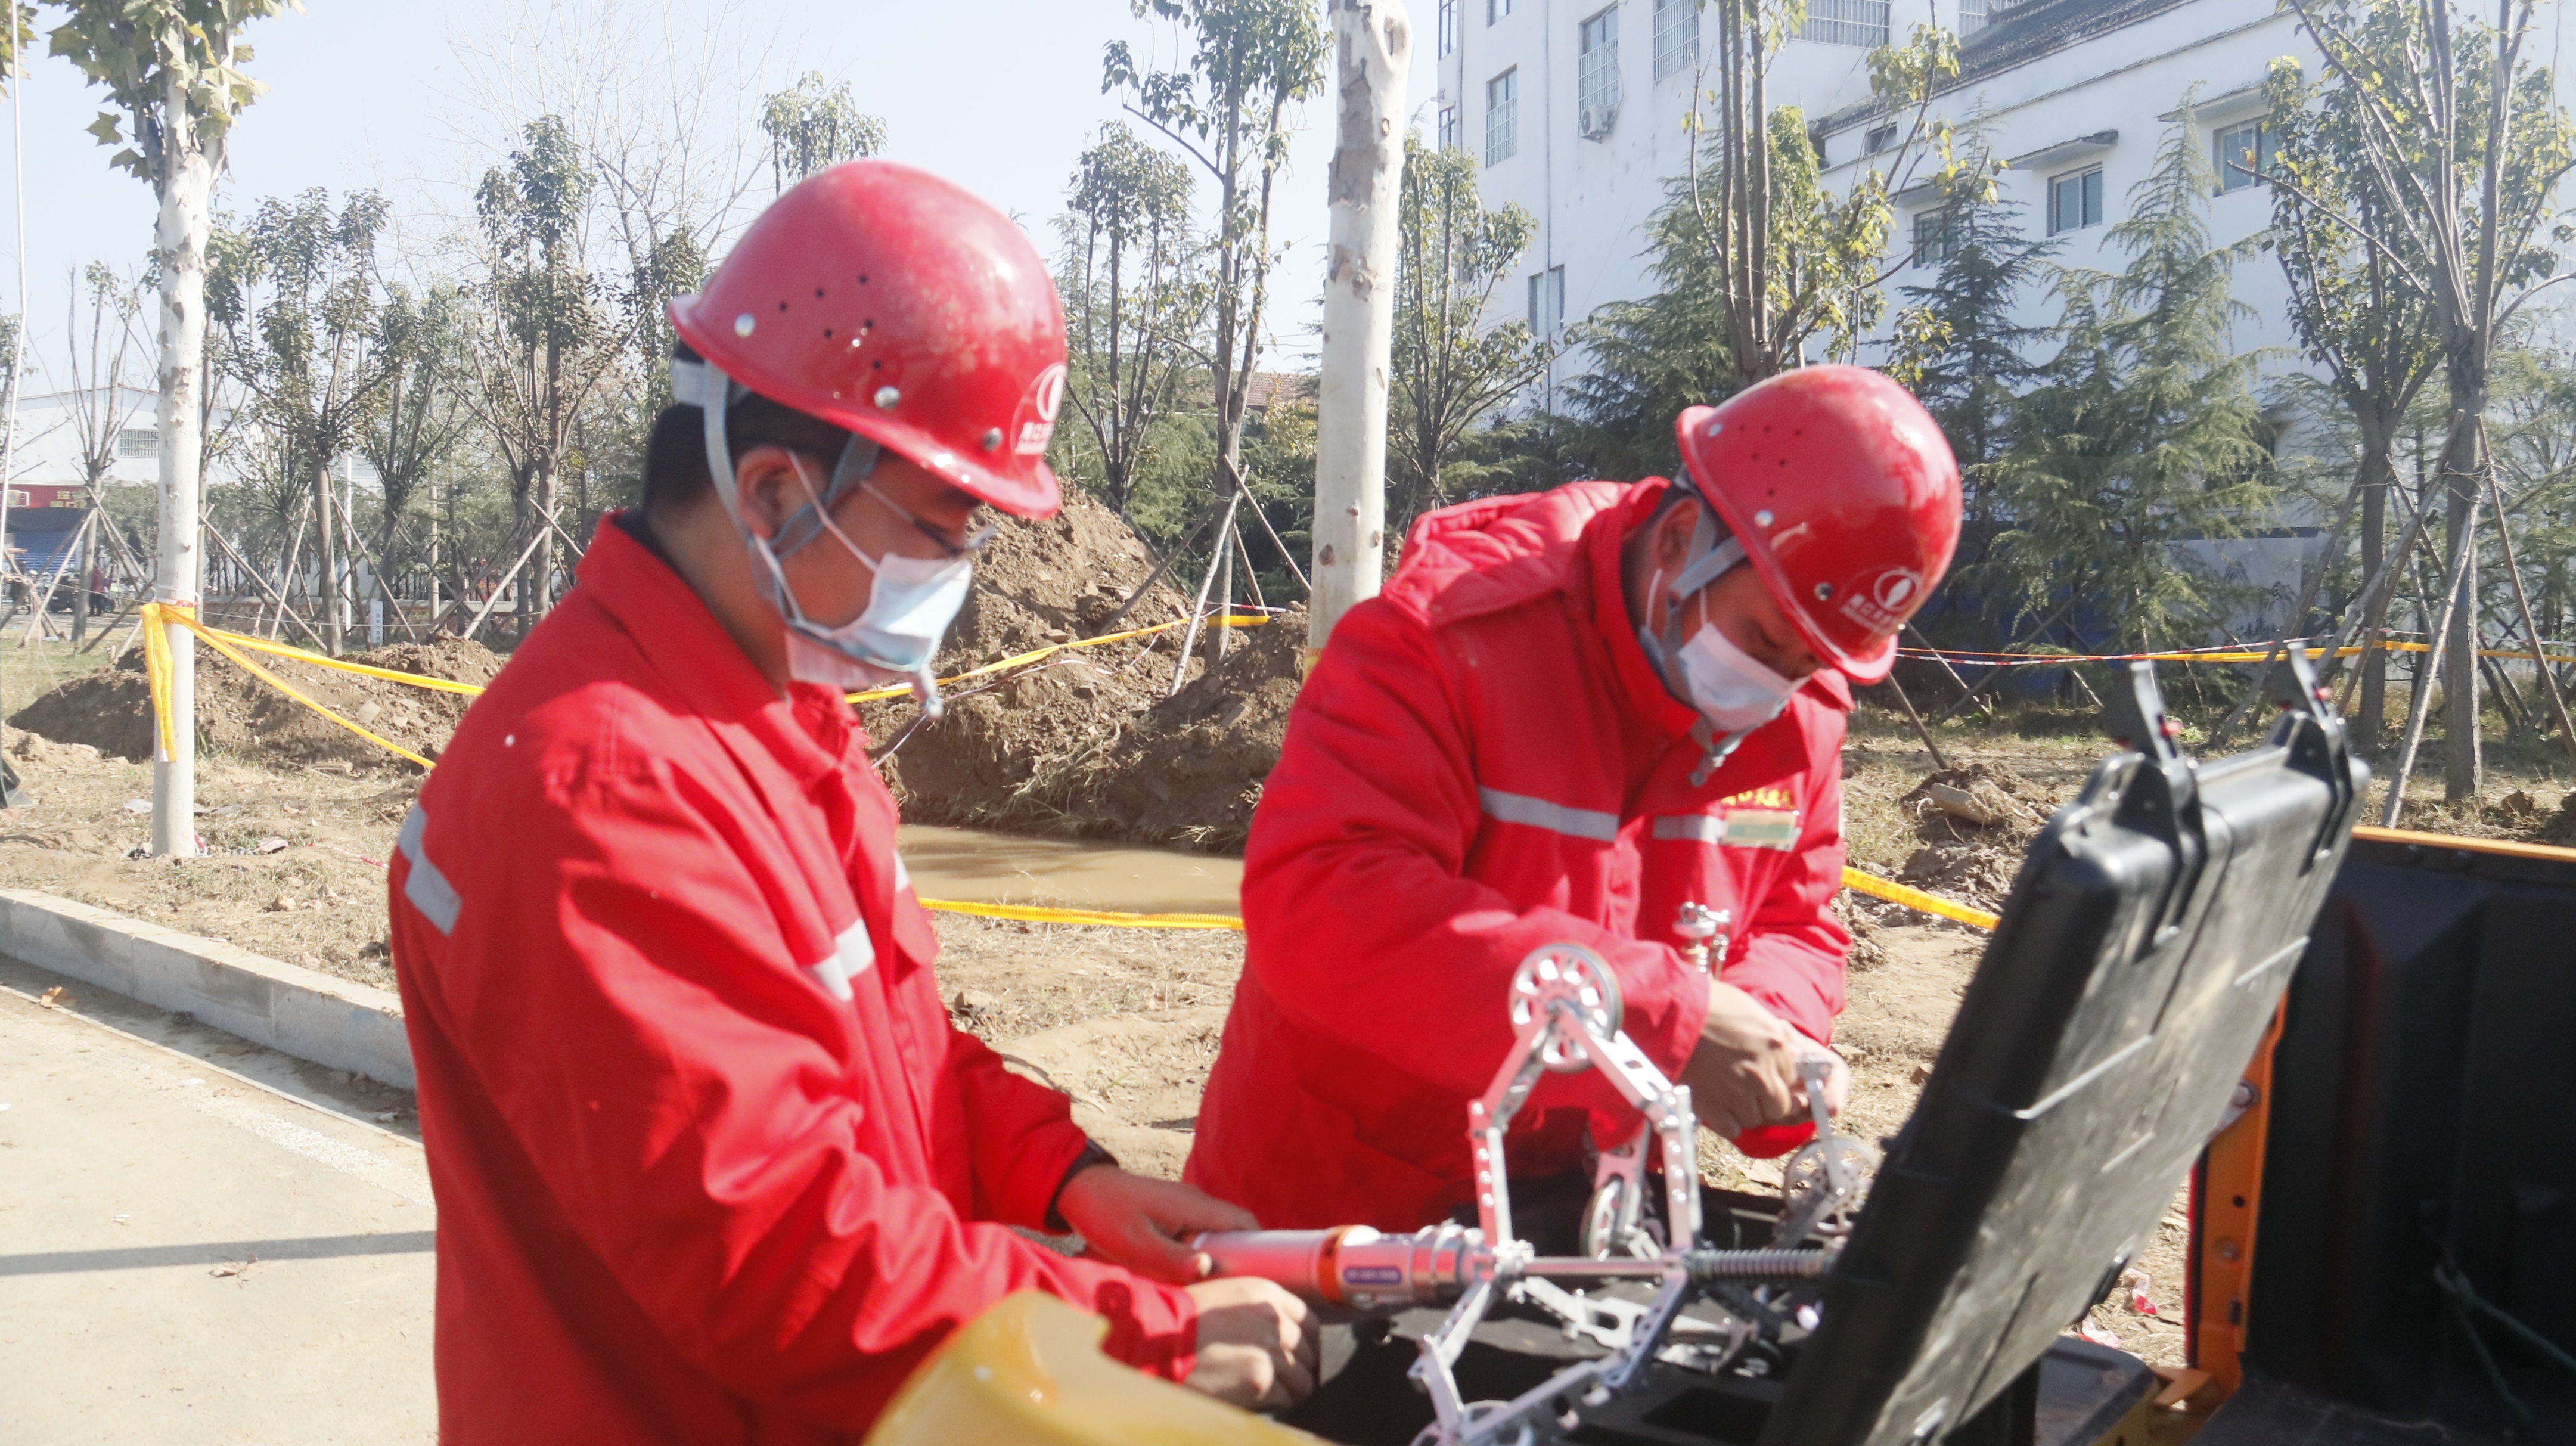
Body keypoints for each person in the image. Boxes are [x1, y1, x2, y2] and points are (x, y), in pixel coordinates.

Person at [388, 160, 1314, 1444]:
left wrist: (1066, 1176)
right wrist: (1148, 1337)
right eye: (942, 525)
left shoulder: (772, 715)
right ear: (775, 490)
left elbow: (893, 1045)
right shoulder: (604, 791)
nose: (962, 571)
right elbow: (779, 1259)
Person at [1186, 367, 1963, 1236]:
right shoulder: (1448, 637)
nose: (1775, 687)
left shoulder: (1799, 709)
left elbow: (1796, 921)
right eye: (1764, 638)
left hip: (1595, 1223)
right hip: (1345, 1213)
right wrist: (1663, 1018)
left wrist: (1769, 1036)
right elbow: (1324, 906)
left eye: (1811, 661)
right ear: (1679, 539)